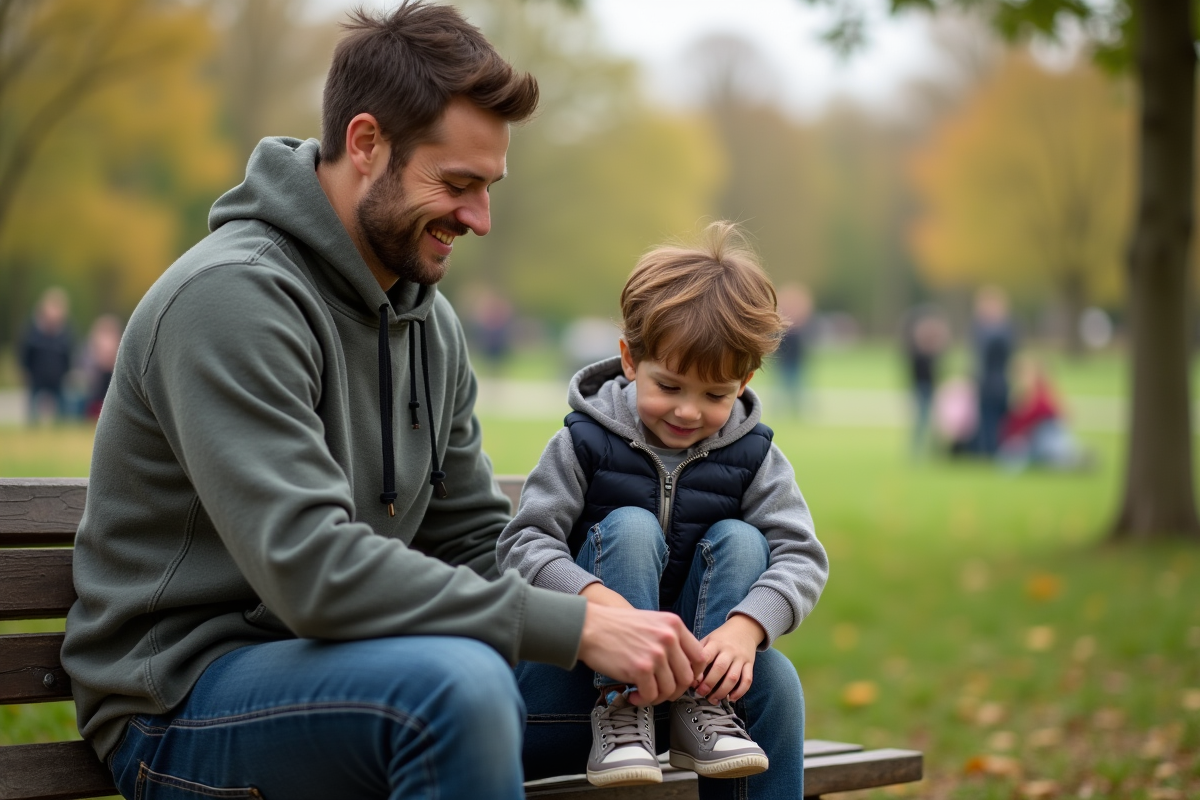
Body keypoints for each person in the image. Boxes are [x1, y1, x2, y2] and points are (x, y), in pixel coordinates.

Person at [61, 5, 707, 800]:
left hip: (372, 668)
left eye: (488, 187)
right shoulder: (228, 300)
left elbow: (473, 539)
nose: (479, 218)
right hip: (184, 700)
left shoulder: (426, 320)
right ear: (366, 144)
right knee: (458, 689)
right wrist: (574, 629)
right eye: (458, 184)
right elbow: (313, 571)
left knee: (723, 689)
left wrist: (603, 608)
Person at [499, 222, 829, 797]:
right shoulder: (583, 441)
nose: (688, 412)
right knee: (629, 526)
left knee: (768, 646)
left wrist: (746, 629)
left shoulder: (755, 456)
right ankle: (620, 703)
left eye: (715, 395)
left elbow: (800, 553)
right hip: (574, 680)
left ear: (744, 381)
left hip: (694, 685)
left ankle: (705, 711)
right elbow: (523, 542)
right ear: (630, 359)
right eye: (670, 386)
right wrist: (596, 607)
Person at [970, 285, 1015, 457]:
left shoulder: (1002, 329)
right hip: (986, 383)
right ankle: (987, 452)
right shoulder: (980, 327)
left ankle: (995, 451)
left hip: (998, 382)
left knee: (998, 420)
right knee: (986, 420)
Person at [18, 286, 74, 423]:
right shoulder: (33, 330)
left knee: (62, 409)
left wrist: (68, 372)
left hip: (58, 377)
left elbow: (70, 354)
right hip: (36, 376)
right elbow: (24, 352)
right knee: (32, 408)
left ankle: (61, 425)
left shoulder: (65, 332)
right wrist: (25, 370)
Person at [905, 310, 950, 456]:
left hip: (930, 388)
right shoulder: (919, 353)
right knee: (923, 421)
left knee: (934, 423)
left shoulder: (930, 352)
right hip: (923, 388)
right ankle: (918, 451)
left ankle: (934, 451)